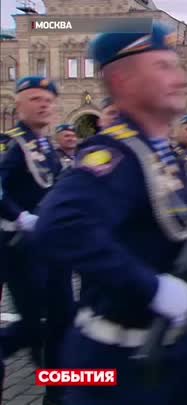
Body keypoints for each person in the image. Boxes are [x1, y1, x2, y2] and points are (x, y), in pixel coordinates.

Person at [33, 22, 187, 405]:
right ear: (123, 81)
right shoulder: (113, 155)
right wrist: (151, 287)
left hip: (177, 349)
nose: (179, 77)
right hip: (117, 363)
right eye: (163, 66)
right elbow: (58, 227)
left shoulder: (163, 155)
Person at [0, 76, 63, 390]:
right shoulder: (12, 143)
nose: (43, 105)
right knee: (33, 321)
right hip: (17, 245)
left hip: (46, 244)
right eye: (35, 99)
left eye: (48, 100)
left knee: (60, 317)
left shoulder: (45, 145)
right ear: (19, 104)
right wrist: (19, 215)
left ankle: (57, 387)